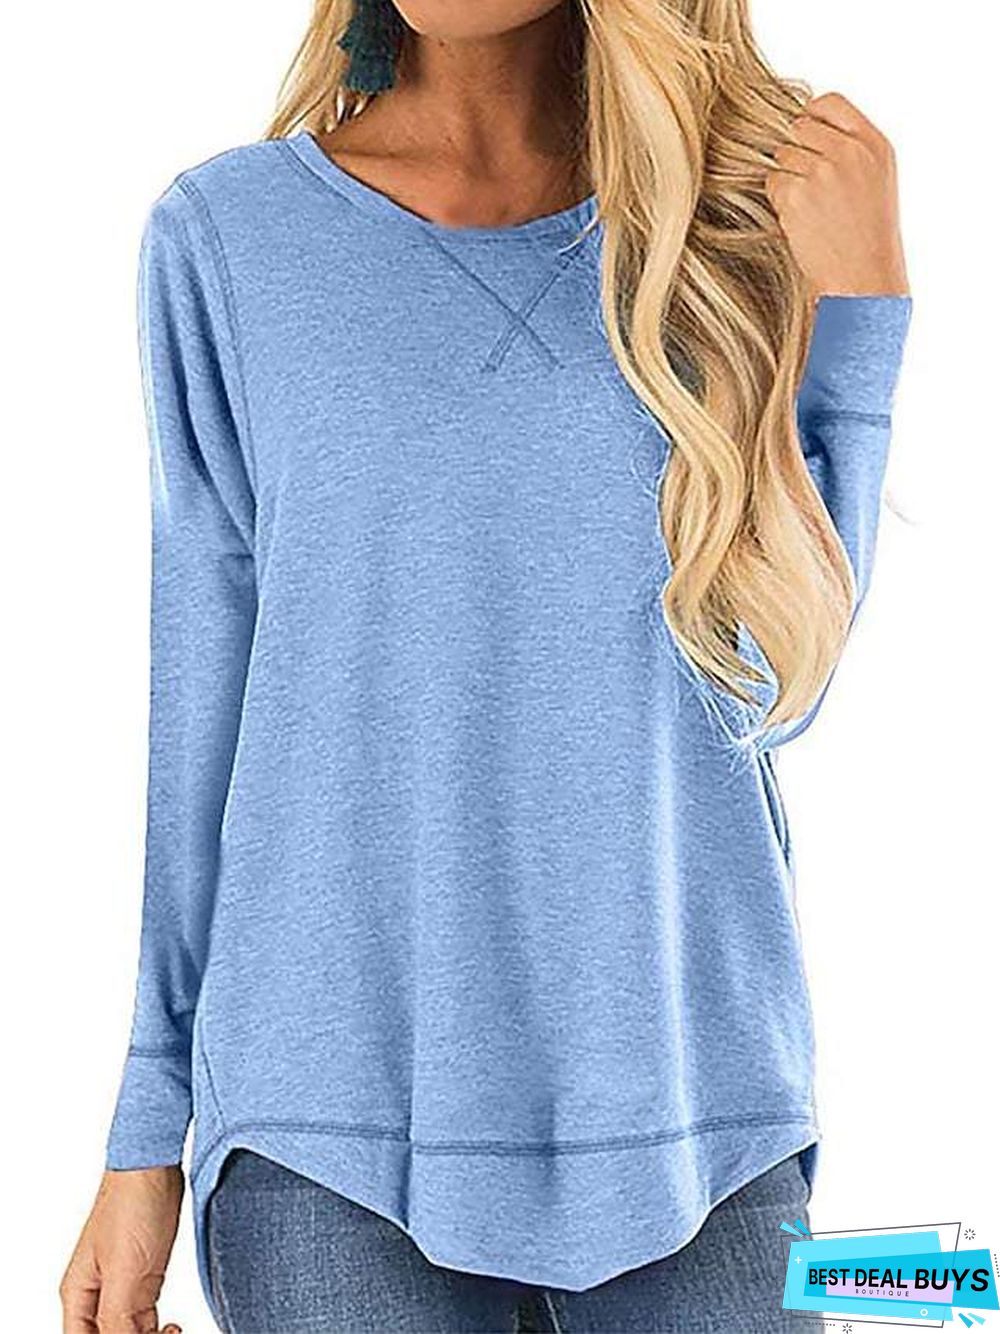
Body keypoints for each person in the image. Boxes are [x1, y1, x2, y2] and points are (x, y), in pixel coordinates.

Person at [60, 1, 911, 1330]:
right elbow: (202, 717)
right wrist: (143, 1134)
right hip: (324, 1133)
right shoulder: (225, 238)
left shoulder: (735, 229)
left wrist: (859, 315)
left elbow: (767, 683)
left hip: (696, 1119)